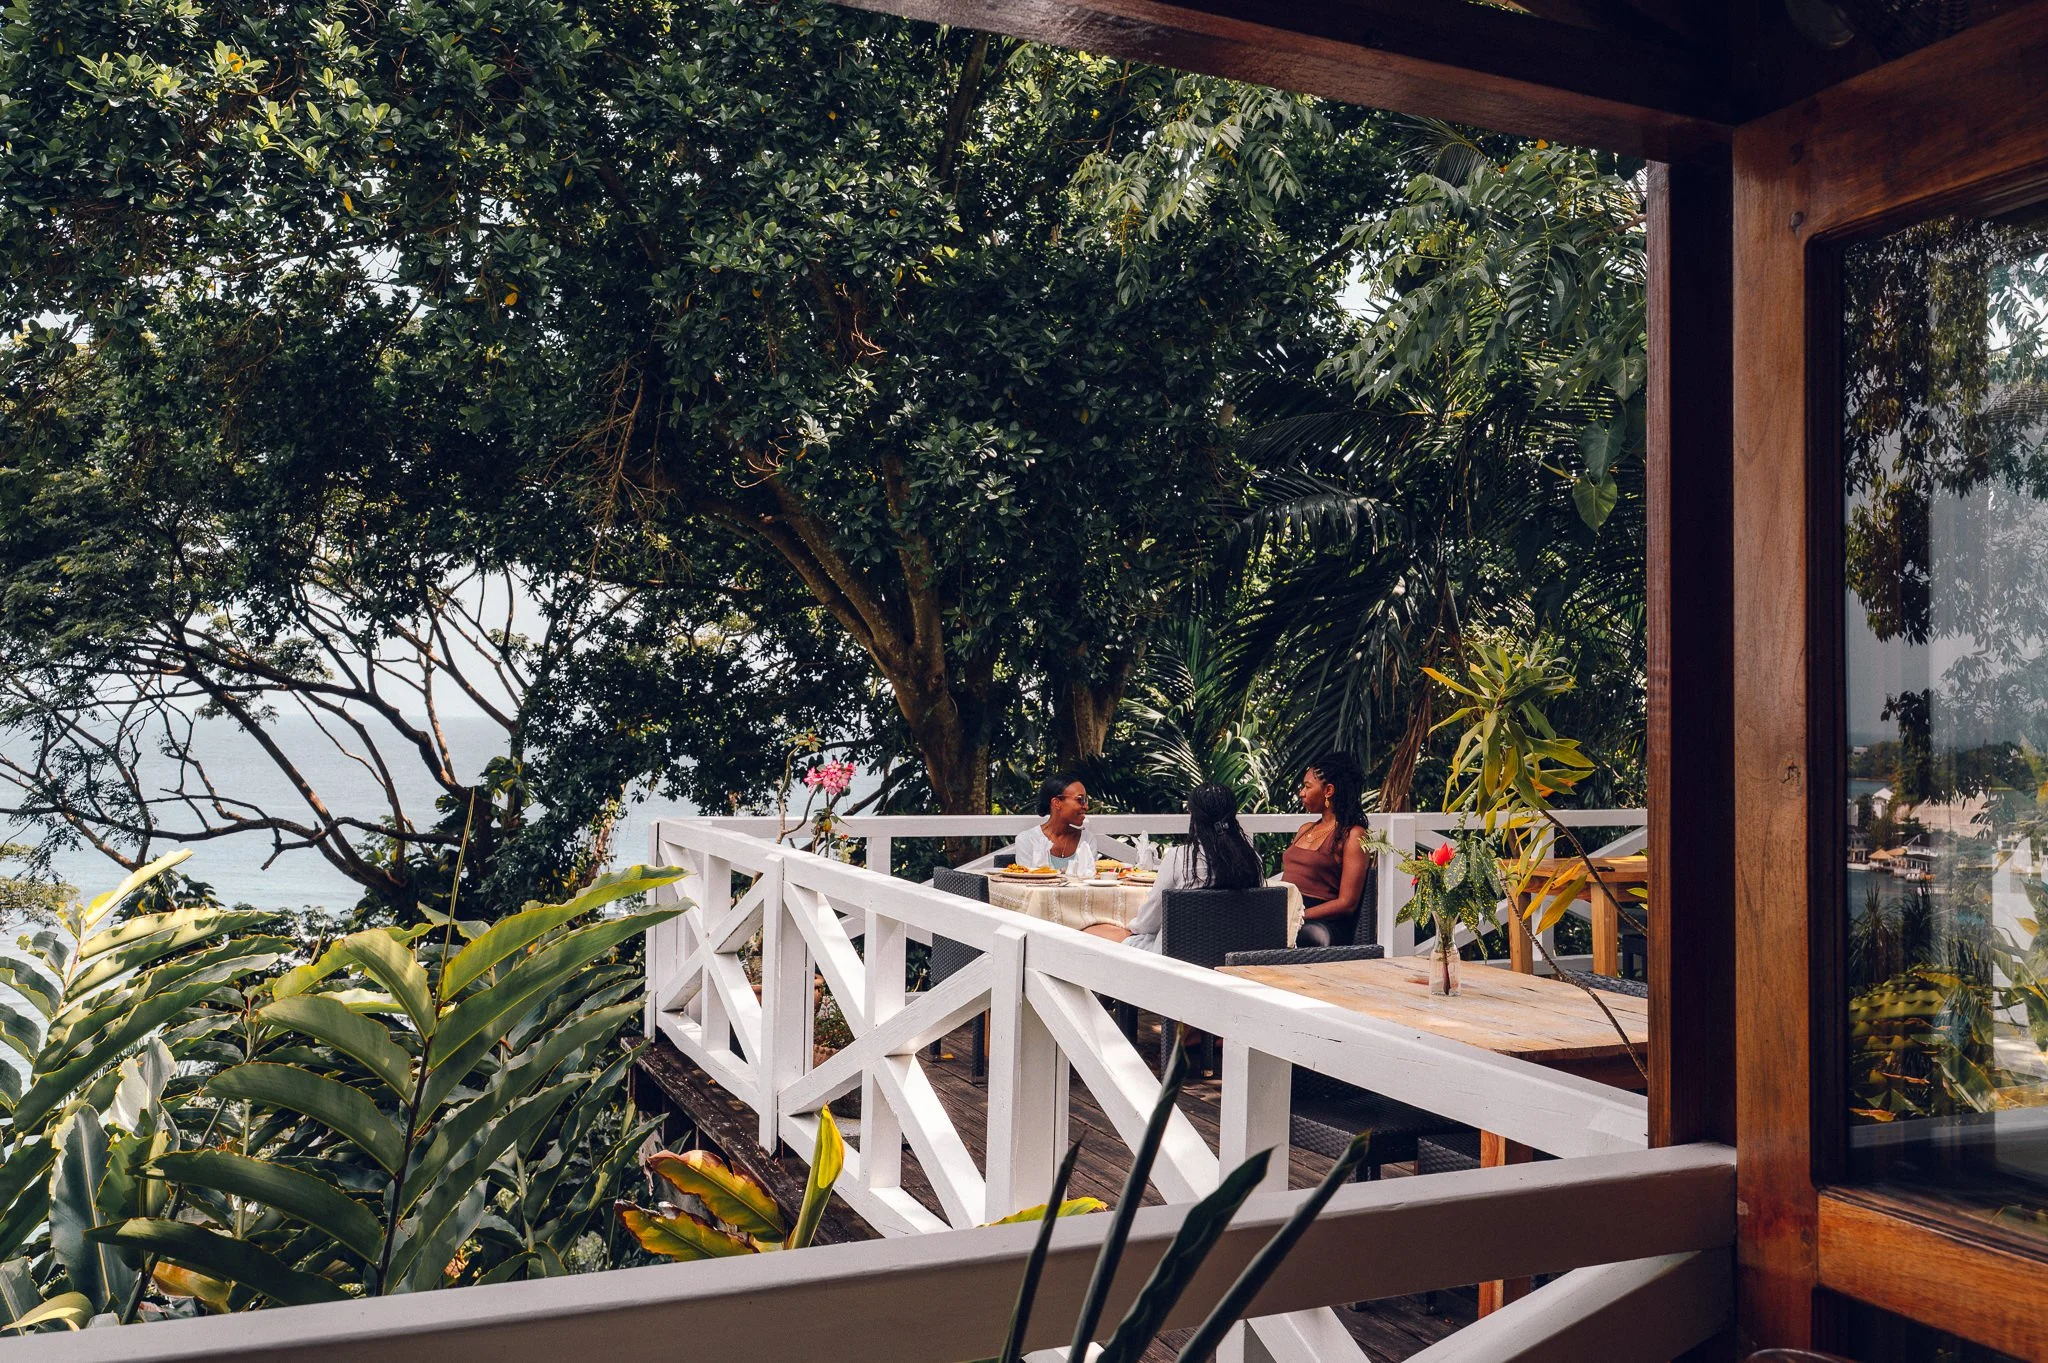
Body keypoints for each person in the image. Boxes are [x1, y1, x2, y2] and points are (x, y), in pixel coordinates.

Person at [1086, 783, 1262, 950]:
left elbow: (1148, 921)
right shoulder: (1251, 859)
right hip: (1232, 955)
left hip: (1177, 956)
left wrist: (1130, 929)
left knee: (1090, 933)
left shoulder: (1180, 858)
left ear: (1194, 818)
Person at [1282, 752, 1372, 947]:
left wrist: (1299, 916)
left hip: (1322, 922)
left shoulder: (1353, 836)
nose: (1302, 793)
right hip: (1288, 911)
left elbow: (1347, 903)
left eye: (1307, 787)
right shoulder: (1306, 828)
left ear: (1328, 790)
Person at [1010, 773, 1100, 876]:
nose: (1086, 806)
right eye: (1080, 800)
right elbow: (1024, 883)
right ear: (1056, 803)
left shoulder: (1087, 840)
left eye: (1086, 800)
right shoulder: (1027, 840)